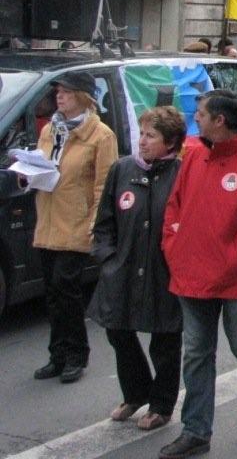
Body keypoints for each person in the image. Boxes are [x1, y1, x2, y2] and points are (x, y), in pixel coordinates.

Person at [159, 90, 237, 459]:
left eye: (200, 114)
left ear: (220, 121)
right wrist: (173, 243)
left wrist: (228, 259)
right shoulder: (194, 153)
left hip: (234, 278)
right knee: (196, 352)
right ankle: (197, 431)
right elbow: (175, 203)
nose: (195, 119)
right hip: (191, 273)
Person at [88, 107, 186, 430]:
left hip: (165, 272)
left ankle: (161, 404)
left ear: (170, 142)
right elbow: (104, 223)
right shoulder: (123, 169)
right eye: (141, 133)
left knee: (165, 341)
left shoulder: (182, 173)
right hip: (124, 270)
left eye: (151, 136)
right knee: (118, 330)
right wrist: (107, 258)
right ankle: (136, 392)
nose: (141, 141)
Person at [32, 71, 118, 384]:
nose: (60, 96)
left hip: (77, 222)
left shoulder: (101, 135)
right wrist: (27, 174)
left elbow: (103, 185)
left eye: (66, 92)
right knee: (52, 292)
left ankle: (76, 355)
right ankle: (57, 355)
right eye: (58, 92)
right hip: (49, 219)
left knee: (66, 288)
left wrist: (95, 224)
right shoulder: (51, 129)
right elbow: (41, 165)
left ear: (82, 96)